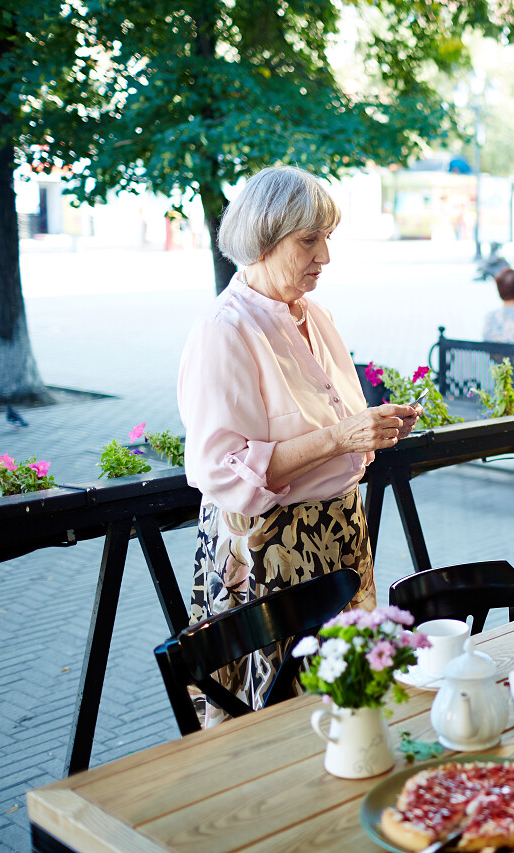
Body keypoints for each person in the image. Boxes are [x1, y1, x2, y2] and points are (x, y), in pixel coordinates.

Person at [177, 165, 422, 726]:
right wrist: (341, 437)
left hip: (338, 533)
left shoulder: (316, 316)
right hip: (270, 549)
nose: (325, 257)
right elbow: (218, 470)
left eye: (327, 239)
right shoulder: (225, 328)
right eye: (309, 240)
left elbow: (335, 424)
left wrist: (372, 430)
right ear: (263, 239)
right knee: (273, 722)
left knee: (351, 706)